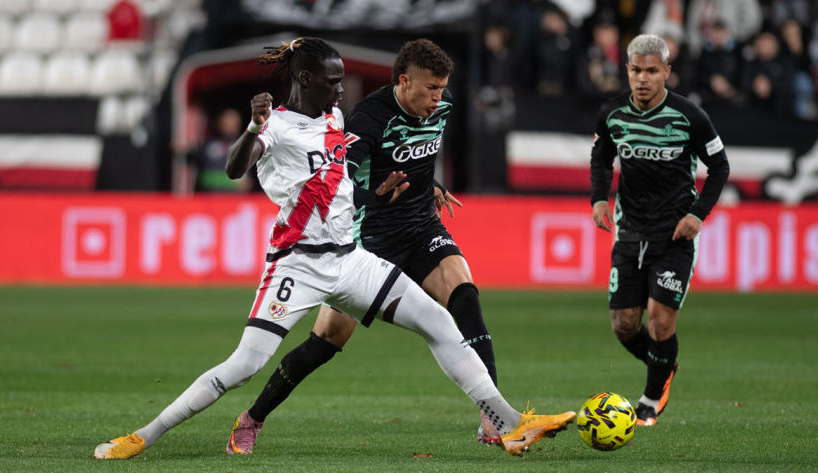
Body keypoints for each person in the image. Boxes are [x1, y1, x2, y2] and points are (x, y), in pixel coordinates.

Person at [93, 37, 575, 460]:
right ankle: (144, 435)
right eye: (333, 80)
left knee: (440, 321)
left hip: (350, 258)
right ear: (305, 79)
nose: (342, 89)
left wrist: (387, 192)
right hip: (297, 266)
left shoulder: (334, 117)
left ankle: (509, 424)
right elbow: (236, 169)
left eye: (342, 80)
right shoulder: (276, 126)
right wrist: (253, 128)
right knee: (243, 366)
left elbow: (340, 181)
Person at [226, 39, 509, 456]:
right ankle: (252, 418)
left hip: (420, 226)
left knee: (464, 295)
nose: (439, 96)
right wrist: (375, 196)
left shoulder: (442, 106)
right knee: (327, 340)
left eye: (442, 87)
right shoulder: (368, 117)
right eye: (431, 88)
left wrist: (427, 183)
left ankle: (494, 420)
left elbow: (412, 154)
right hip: (368, 237)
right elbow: (339, 180)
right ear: (404, 81)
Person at [590, 34, 730, 426]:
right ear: (627, 70)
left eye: (652, 71)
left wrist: (698, 214)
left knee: (659, 319)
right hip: (629, 233)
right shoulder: (612, 113)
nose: (643, 78)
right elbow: (601, 157)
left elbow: (720, 167)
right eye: (636, 70)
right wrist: (599, 198)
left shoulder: (690, 116)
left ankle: (651, 399)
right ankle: (664, 361)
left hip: (674, 236)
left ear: (667, 72)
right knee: (624, 326)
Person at [188, 108, 254, 192]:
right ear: (219, 123)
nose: (229, 125)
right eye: (226, 122)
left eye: (233, 122)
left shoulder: (246, 147)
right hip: (208, 196)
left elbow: (249, 181)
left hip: (234, 197)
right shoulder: (206, 146)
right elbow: (188, 157)